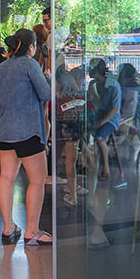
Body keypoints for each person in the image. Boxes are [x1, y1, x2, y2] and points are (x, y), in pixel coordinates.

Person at [0, 28, 52, 246]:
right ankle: (32, 231)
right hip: (28, 131)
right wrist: (47, 78)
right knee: (37, 180)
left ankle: (8, 227)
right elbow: (45, 94)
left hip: (5, 130)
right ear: (31, 46)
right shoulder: (30, 64)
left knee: (6, 177)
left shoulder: (1, 68)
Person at [56, 63, 87, 205]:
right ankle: (72, 188)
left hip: (63, 119)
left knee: (70, 158)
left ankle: (72, 192)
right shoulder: (69, 78)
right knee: (73, 157)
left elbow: (56, 96)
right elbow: (78, 92)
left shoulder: (57, 79)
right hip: (75, 119)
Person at [88, 58, 121, 181]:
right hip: (98, 116)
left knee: (100, 138)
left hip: (111, 119)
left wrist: (101, 122)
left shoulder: (113, 85)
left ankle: (106, 168)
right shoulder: (94, 84)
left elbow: (115, 109)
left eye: (91, 69)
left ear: (97, 71)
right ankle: (90, 163)